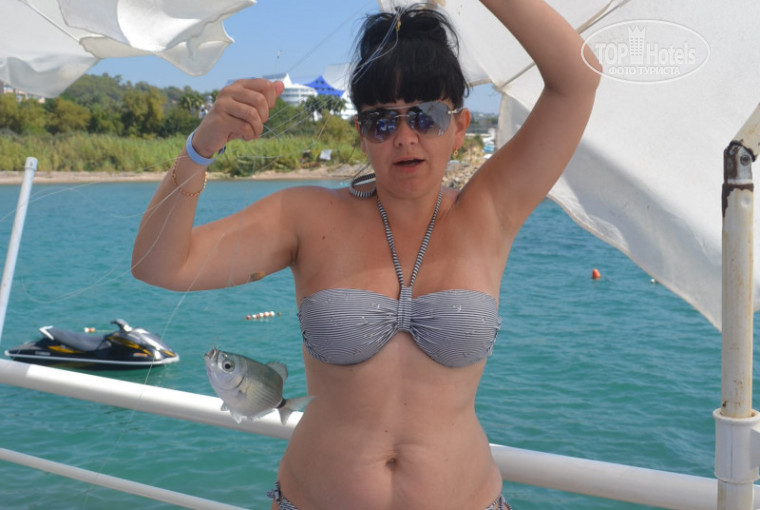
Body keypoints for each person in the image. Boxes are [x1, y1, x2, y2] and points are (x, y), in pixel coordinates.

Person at [132, 1, 601, 508]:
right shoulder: (308, 216)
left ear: (460, 126)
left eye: (426, 116)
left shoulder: (490, 211)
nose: (404, 137)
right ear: (360, 134)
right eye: (381, 122)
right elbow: (160, 264)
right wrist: (201, 147)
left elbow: (578, 78)